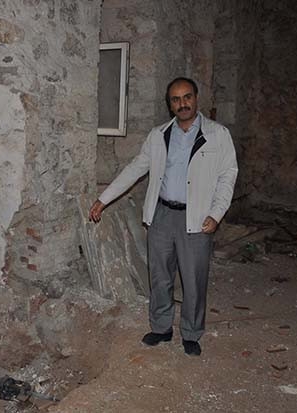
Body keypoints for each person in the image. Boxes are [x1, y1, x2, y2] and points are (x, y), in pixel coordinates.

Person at [89, 77, 238, 356]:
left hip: (197, 217)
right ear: (170, 105)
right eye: (176, 99)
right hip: (162, 215)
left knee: (193, 280)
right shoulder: (158, 135)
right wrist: (104, 199)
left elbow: (228, 176)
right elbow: (136, 168)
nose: (183, 104)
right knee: (159, 276)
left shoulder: (218, 135)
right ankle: (161, 327)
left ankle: (191, 332)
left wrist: (216, 214)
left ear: (196, 98)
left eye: (187, 97)